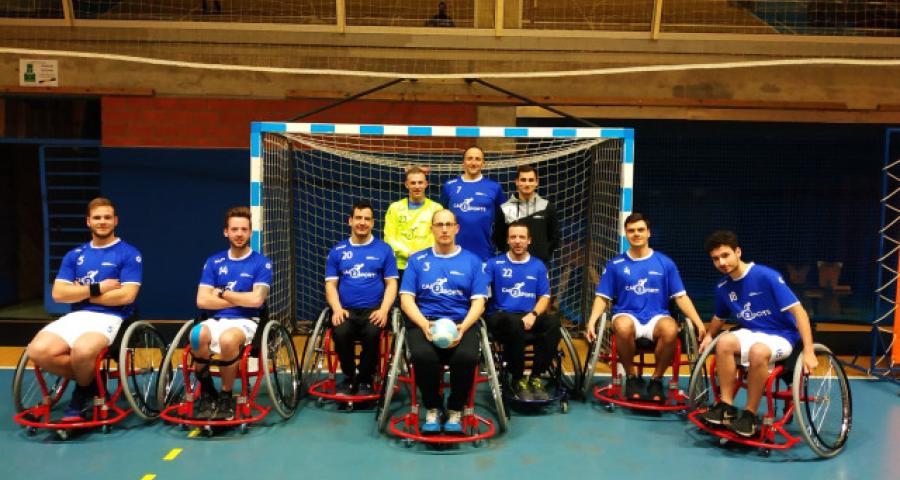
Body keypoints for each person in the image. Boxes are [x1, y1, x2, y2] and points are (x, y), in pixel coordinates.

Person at [27, 197, 142, 421]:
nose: (102, 222)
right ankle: (93, 382)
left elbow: (126, 296)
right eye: (97, 218)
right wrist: (98, 288)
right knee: (37, 351)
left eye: (107, 217)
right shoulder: (74, 255)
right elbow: (59, 294)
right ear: (88, 222)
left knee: (82, 350)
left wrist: (80, 293)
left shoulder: (129, 253)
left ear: (115, 221)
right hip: (76, 316)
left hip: (110, 318)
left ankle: (80, 395)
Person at [698, 230, 817, 437]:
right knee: (723, 342)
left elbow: (800, 313)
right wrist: (709, 335)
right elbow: (719, 317)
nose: (721, 262)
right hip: (751, 332)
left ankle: (750, 415)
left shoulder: (766, 276)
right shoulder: (723, 287)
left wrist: (808, 351)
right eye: (716, 259)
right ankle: (726, 406)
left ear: (738, 252)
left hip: (782, 335)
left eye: (725, 255)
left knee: (758, 351)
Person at [585, 213, 706, 403]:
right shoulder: (615, 264)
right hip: (626, 314)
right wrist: (592, 322)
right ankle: (632, 377)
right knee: (622, 326)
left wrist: (699, 323)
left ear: (649, 233)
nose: (636, 234)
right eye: (631, 230)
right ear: (626, 234)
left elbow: (681, 297)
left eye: (640, 230)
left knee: (671, 329)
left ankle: (656, 380)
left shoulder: (665, 263)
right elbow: (602, 297)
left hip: (657, 316)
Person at [399, 209, 488, 433]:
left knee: (466, 357)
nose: (445, 229)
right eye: (439, 225)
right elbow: (406, 300)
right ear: (432, 229)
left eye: (449, 224)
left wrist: (463, 328)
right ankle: (433, 408)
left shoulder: (472, 261)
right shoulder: (417, 260)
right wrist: (423, 324)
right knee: (423, 356)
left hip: (461, 322)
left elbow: (479, 302)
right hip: (425, 321)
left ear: (457, 228)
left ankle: (455, 409)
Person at [193, 206, 272, 420]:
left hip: (247, 320)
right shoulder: (214, 261)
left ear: (250, 232)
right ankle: (208, 393)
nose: (239, 234)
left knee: (228, 340)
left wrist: (223, 293)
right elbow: (202, 300)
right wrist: (240, 298)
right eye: (234, 229)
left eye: (244, 229)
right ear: (226, 232)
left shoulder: (262, 263)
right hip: (217, 319)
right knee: (196, 335)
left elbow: (256, 300)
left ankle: (226, 395)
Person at [325, 202, 399, 395]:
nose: (362, 222)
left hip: (374, 309)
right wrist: (337, 309)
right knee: (340, 333)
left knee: (373, 334)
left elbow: (392, 284)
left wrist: (384, 310)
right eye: (358, 218)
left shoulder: (384, 250)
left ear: (373, 223)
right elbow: (330, 285)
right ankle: (350, 376)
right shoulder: (337, 250)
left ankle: (366, 379)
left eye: (367, 219)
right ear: (350, 221)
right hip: (345, 309)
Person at [486, 222, 559, 401]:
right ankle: (517, 378)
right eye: (513, 237)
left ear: (529, 240)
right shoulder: (494, 264)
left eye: (521, 237)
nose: (517, 241)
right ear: (507, 240)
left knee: (552, 322)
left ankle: (535, 377)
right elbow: (481, 293)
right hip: (501, 316)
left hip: (528, 315)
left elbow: (544, 297)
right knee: (514, 323)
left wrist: (533, 315)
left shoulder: (538, 266)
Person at [440, 146, 506, 262]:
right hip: (452, 254)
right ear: (463, 162)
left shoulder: (494, 187)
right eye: (469, 158)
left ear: (483, 163)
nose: (473, 163)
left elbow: (503, 220)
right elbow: (442, 217)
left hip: (485, 255)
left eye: (477, 159)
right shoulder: (449, 186)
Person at [384, 166, 443, 279]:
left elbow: (439, 237)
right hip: (400, 265)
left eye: (420, 182)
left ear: (426, 184)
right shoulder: (395, 208)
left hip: (428, 264)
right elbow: (389, 238)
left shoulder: (436, 209)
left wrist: (422, 255)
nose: (417, 186)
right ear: (407, 185)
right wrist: (407, 253)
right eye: (413, 183)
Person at [495, 164, 560, 266]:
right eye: (523, 180)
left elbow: (555, 237)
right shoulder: (505, 208)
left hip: (539, 265)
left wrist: (542, 254)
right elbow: (498, 238)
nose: (527, 184)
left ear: (536, 182)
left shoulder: (547, 207)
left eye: (531, 180)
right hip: (511, 266)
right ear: (517, 182)